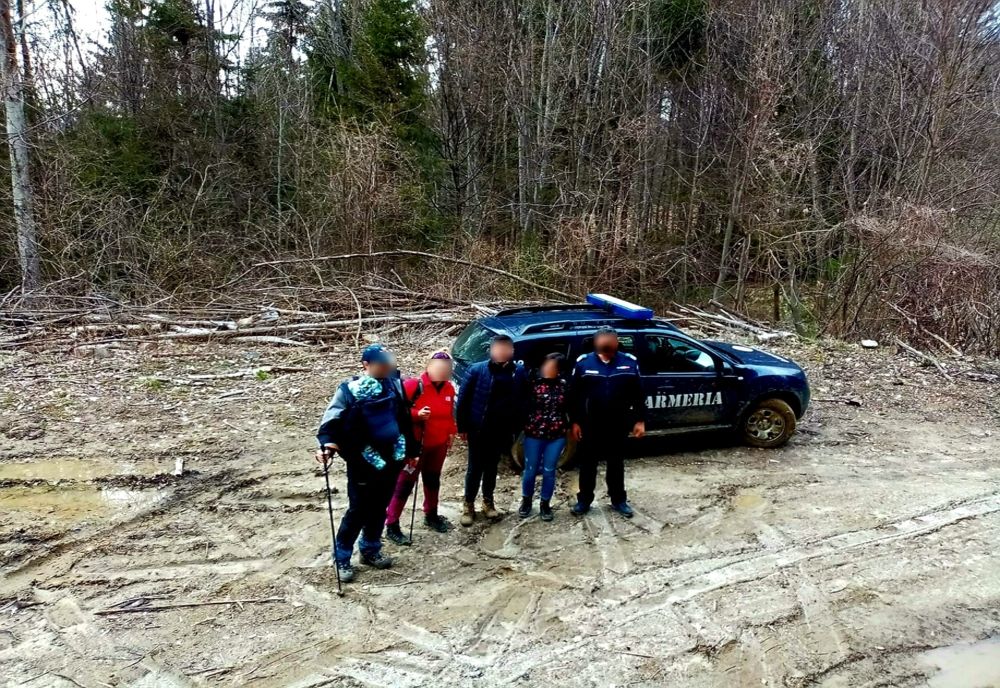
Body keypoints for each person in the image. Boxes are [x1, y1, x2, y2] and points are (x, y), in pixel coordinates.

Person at [315, 344, 417, 583]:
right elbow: (332, 419)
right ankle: (342, 557)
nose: (385, 366)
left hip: (392, 458)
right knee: (358, 510)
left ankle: (370, 548)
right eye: (380, 363)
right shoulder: (349, 390)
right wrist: (327, 445)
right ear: (366, 365)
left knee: (380, 507)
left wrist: (412, 450)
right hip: (362, 460)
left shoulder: (394, 384)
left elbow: (402, 417)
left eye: (387, 363)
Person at [569, 326, 645, 518]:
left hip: (618, 423)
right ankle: (584, 500)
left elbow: (638, 395)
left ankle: (618, 499)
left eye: (610, 342)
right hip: (590, 423)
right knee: (587, 464)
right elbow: (574, 395)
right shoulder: (583, 363)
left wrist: (639, 420)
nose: (607, 345)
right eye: (603, 342)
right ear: (596, 343)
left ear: (616, 342)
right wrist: (575, 422)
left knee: (616, 463)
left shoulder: (629, 363)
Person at [385, 351, 458, 544]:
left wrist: (451, 432)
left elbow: (449, 414)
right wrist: (416, 414)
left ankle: (431, 514)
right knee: (405, 484)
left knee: (433, 481)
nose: (443, 372)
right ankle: (391, 523)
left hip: (439, 445)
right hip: (416, 446)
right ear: (428, 367)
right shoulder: (413, 386)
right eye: (438, 368)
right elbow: (395, 412)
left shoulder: (449, 388)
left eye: (447, 369)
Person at [455, 333, 528, 526]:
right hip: (478, 428)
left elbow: (523, 400)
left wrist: (517, 427)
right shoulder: (477, 370)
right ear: (492, 350)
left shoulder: (519, 372)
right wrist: (462, 426)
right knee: (474, 468)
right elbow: (463, 400)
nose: (502, 352)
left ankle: (488, 502)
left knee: (491, 467)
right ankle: (468, 504)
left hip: (501, 430)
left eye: (506, 348)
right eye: (498, 348)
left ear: (512, 351)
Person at [519, 353, 569, 521]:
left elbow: (571, 408)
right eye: (546, 365)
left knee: (549, 470)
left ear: (559, 370)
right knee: (530, 470)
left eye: (552, 367)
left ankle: (545, 504)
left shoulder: (564, 386)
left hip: (556, 435)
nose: (547, 369)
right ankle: (526, 501)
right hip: (533, 434)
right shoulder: (533, 384)